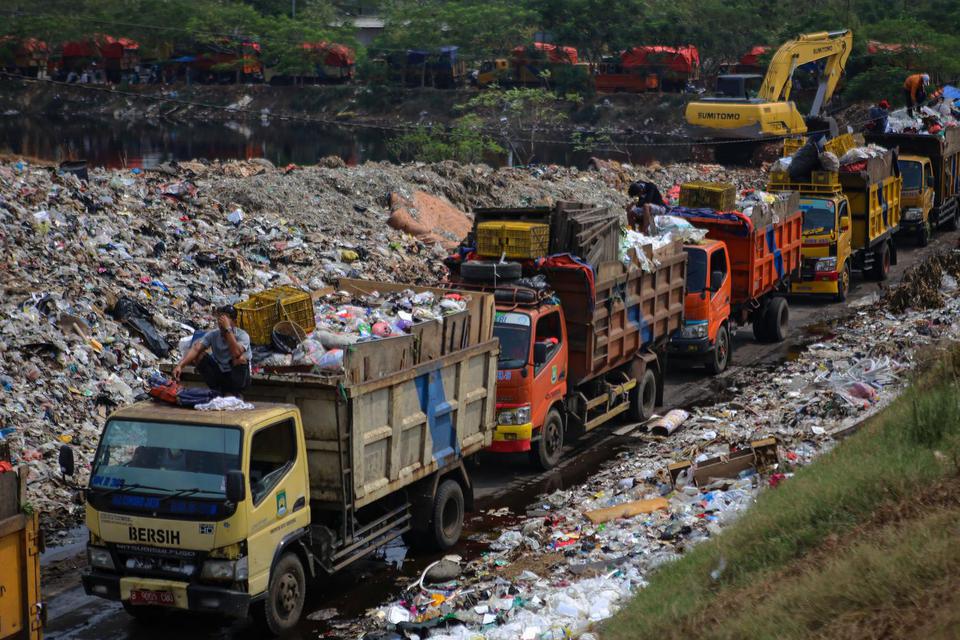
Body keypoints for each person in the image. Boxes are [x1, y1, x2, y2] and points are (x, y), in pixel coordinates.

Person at [172, 305, 251, 394]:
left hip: (238, 378)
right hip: (221, 373)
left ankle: (236, 393)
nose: (222, 321)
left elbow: (236, 353)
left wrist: (228, 329)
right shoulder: (213, 335)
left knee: (240, 359)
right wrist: (180, 366)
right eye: (221, 317)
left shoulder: (242, 335)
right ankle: (217, 390)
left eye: (226, 318)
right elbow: (196, 348)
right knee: (199, 355)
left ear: (234, 321)